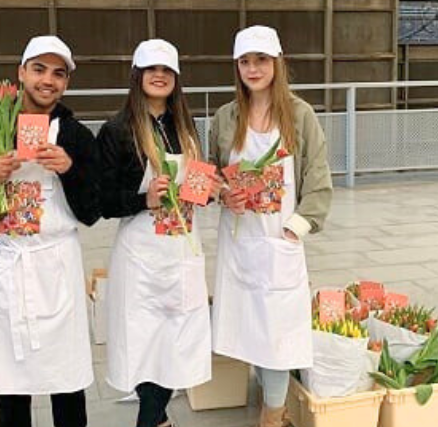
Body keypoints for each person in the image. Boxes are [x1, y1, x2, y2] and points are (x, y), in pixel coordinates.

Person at [0, 35, 99, 427]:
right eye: (39, 69)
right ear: (21, 72)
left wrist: (69, 170)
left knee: (67, 385)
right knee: (9, 388)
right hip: (5, 269)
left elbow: (92, 212)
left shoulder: (76, 136)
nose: (48, 81)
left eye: (58, 74)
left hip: (55, 268)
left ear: (66, 83)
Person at [209, 26, 333, 427]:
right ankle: (271, 401)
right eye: (245, 61)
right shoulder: (226, 117)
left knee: (278, 332)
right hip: (239, 239)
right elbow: (213, 174)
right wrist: (223, 194)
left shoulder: (299, 115)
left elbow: (318, 178)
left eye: (261, 60)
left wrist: (294, 228)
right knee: (250, 327)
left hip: (280, 238)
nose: (253, 69)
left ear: (277, 63)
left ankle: (272, 416)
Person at [96, 39, 214, 427]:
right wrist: (143, 199)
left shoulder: (186, 126)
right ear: (138, 76)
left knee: (177, 339)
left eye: (166, 70)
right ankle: (152, 420)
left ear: (176, 79)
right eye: (151, 69)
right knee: (147, 341)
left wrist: (209, 192)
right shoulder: (117, 130)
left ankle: (156, 419)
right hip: (141, 256)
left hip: (182, 249)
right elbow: (102, 200)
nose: (159, 76)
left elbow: (195, 185)